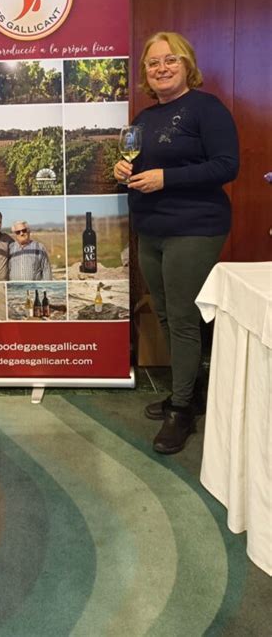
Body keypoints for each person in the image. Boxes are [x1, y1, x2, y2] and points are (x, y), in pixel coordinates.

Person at [114, 31, 239, 455]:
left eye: (170, 60)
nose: (161, 68)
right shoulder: (145, 119)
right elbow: (139, 167)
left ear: (187, 65)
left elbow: (227, 166)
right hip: (152, 228)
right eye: (153, 63)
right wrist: (123, 171)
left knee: (184, 317)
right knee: (166, 314)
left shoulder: (207, 109)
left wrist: (167, 178)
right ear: (146, 73)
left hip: (195, 228)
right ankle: (189, 392)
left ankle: (181, 409)